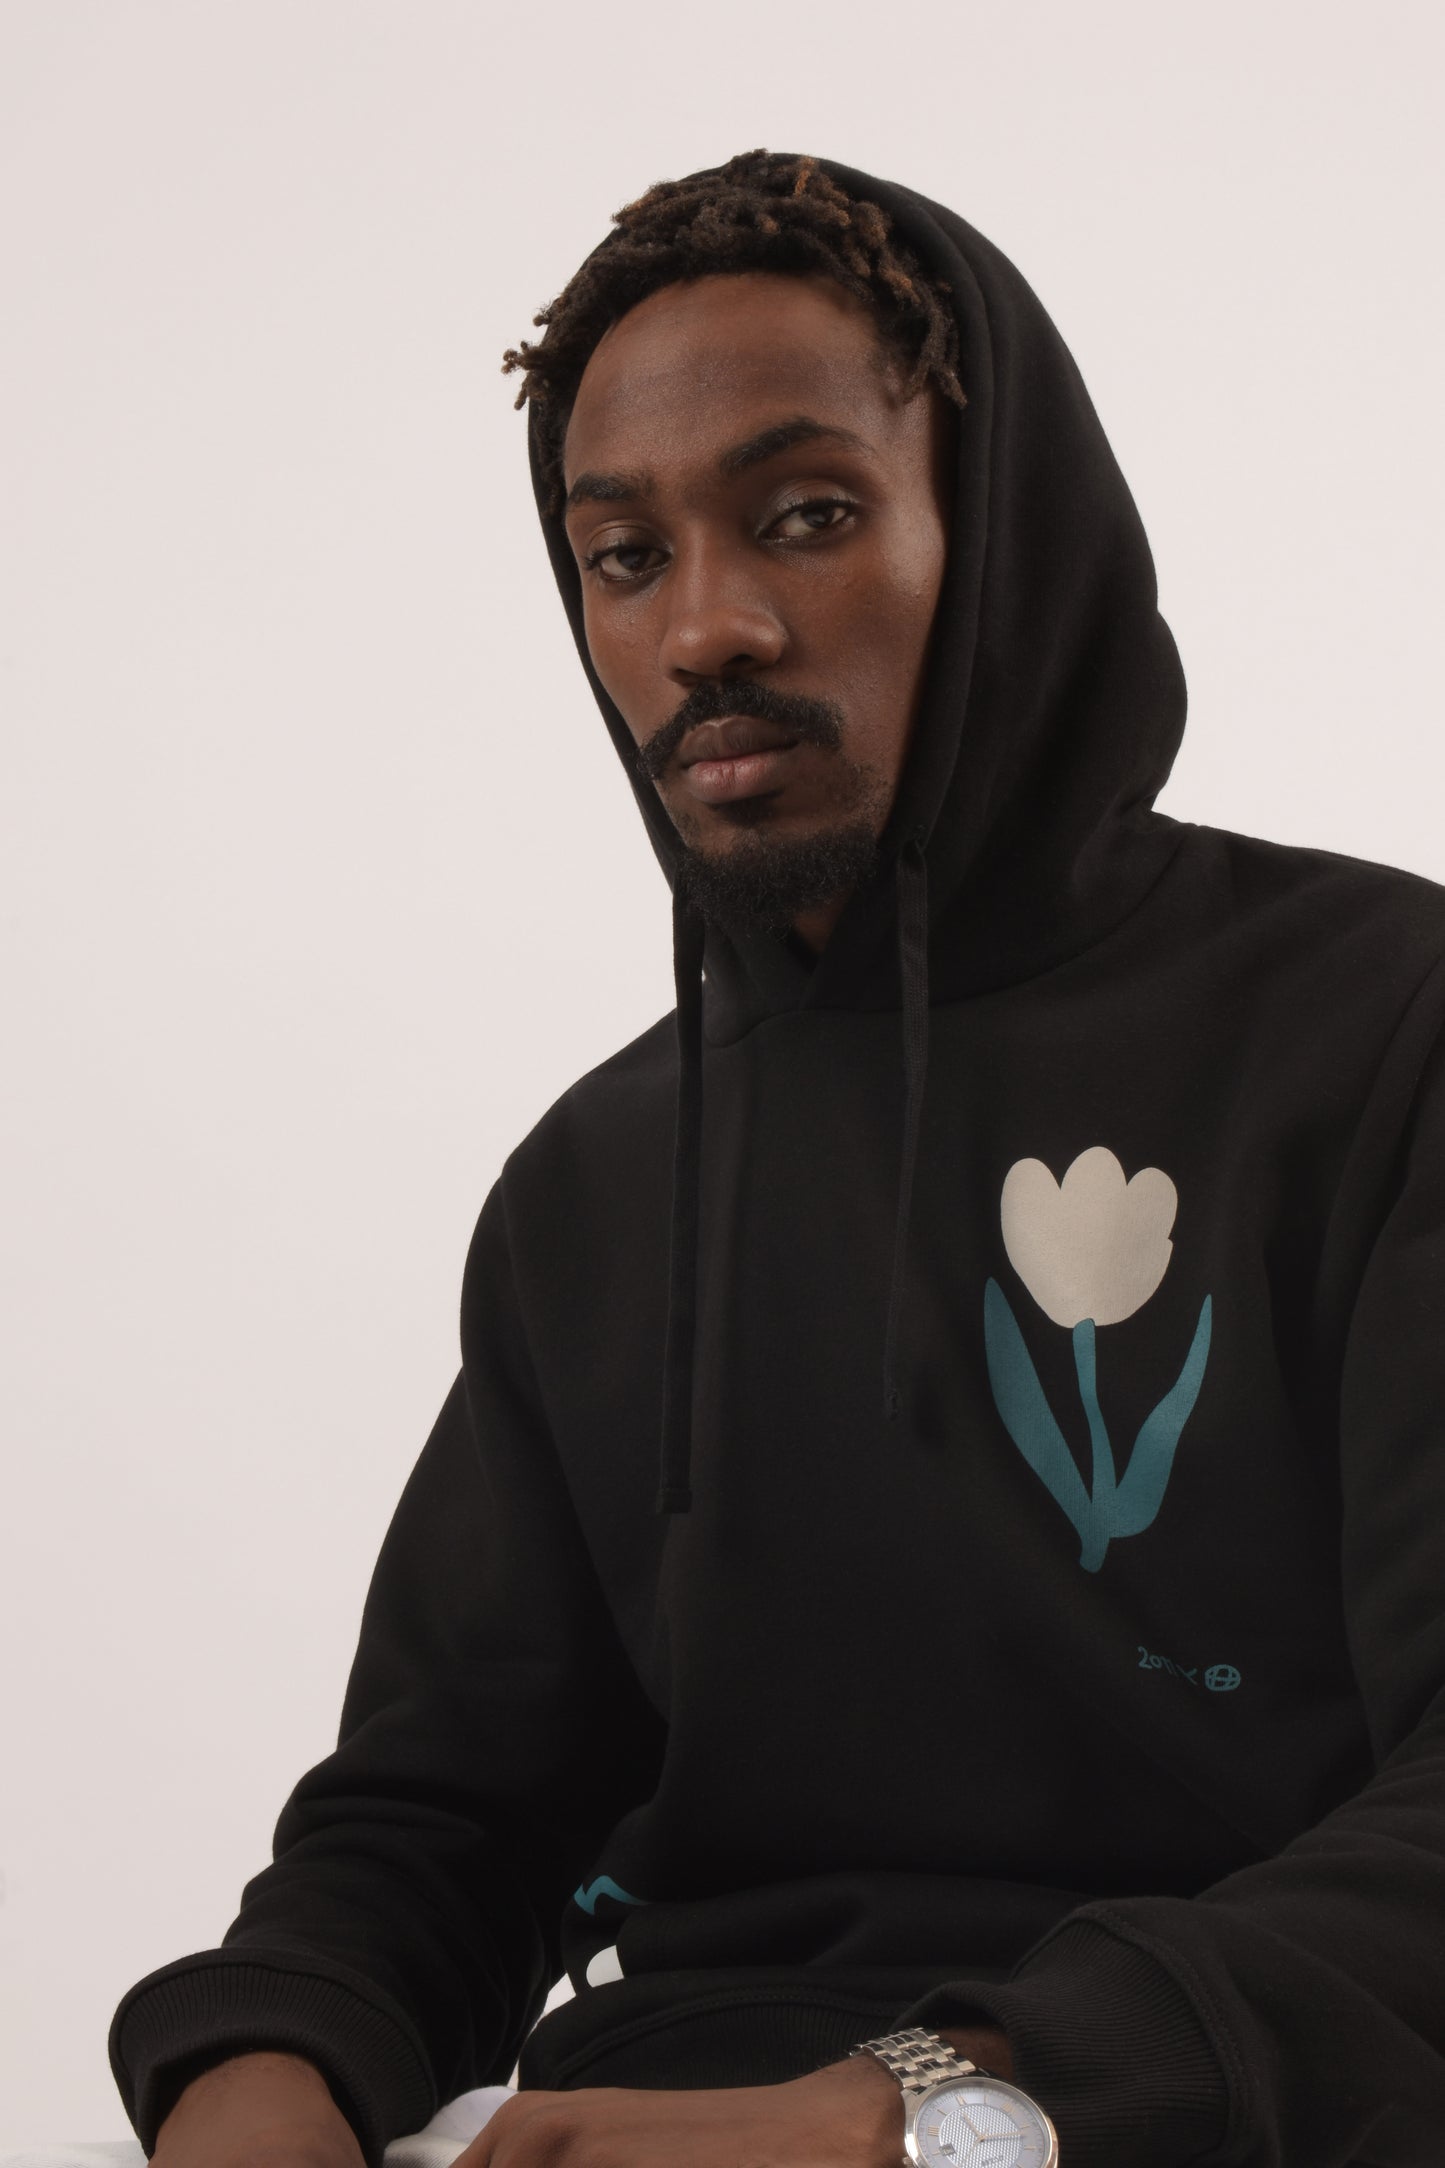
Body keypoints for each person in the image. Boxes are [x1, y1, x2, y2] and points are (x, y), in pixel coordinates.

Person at [102, 150, 1445, 2168]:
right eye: (621, 553)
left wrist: (922, 2109)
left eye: (806, 514)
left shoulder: (1383, 1030)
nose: (703, 627)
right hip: (675, 2109)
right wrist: (264, 2070)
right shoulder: (595, 1187)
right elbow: (443, 1820)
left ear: (998, 535)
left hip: (1231, 2116)